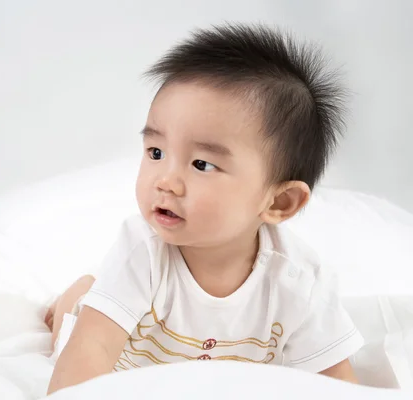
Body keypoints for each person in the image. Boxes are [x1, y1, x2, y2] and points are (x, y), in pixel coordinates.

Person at [46, 23, 363, 395]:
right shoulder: (143, 252)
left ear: (279, 202)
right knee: (71, 326)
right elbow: (92, 347)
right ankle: (81, 294)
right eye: (156, 153)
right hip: (126, 363)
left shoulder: (298, 281)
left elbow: (337, 378)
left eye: (201, 164)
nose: (165, 180)